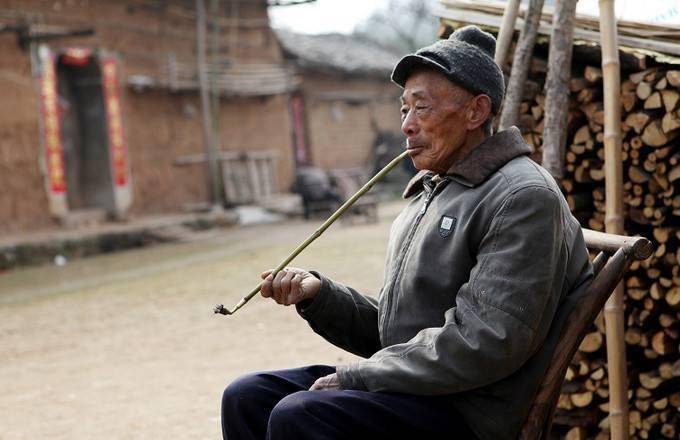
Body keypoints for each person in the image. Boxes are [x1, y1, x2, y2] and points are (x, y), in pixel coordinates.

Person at [221, 25, 593, 440]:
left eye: (422, 108)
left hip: (467, 410)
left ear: (475, 112)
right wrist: (321, 296)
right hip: (417, 388)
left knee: (301, 414)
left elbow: (486, 342)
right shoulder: (436, 190)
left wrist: (359, 377)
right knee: (248, 395)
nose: (407, 126)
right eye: (404, 109)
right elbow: (399, 331)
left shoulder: (521, 197)